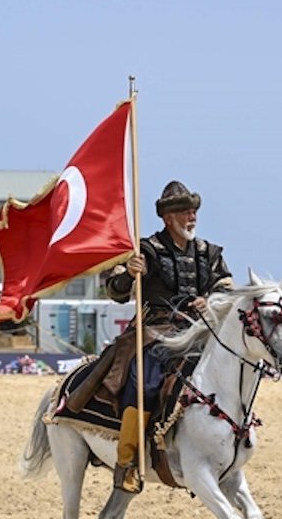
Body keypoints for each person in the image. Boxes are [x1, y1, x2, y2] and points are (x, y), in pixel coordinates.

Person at [99, 180, 233, 493]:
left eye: (194, 211)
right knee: (143, 381)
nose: (192, 217)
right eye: (185, 212)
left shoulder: (209, 252)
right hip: (156, 330)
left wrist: (210, 300)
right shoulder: (145, 250)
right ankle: (127, 461)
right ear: (168, 218)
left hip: (200, 328)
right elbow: (115, 292)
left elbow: (227, 288)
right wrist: (129, 273)